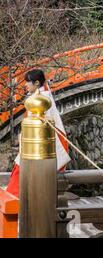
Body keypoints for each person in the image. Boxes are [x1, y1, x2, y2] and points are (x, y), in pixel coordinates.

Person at [6, 69, 71, 197]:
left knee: (22, 172)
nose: (25, 85)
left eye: (28, 82)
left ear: (36, 83)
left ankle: (15, 199)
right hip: (36, 145)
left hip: (37, 146)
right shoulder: (42, 96)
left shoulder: (40, 100)